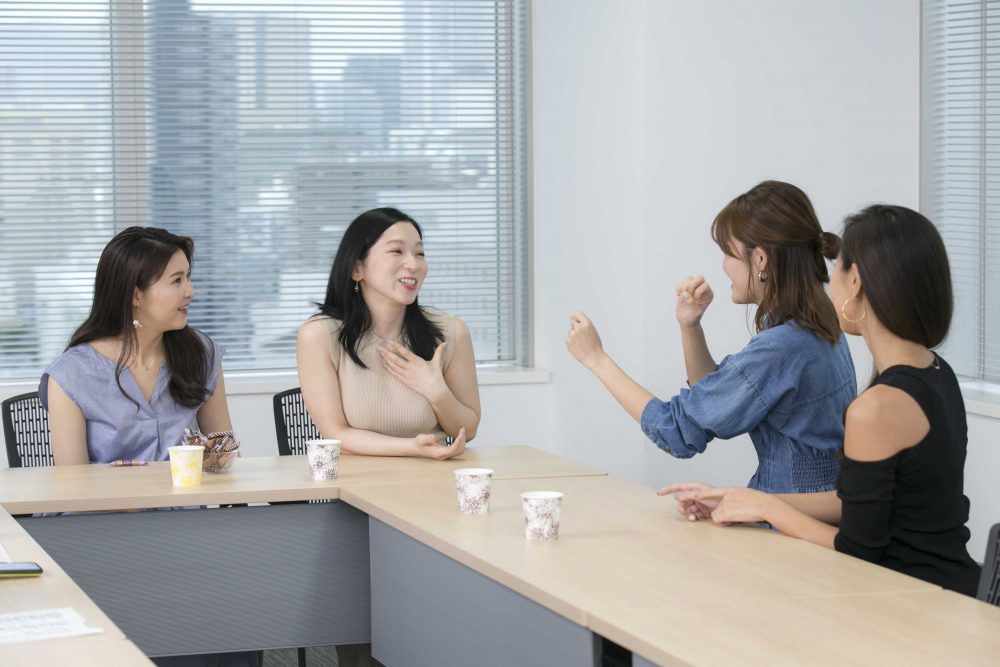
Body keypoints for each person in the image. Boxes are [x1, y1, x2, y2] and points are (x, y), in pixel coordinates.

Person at [665, 205, 982, 596]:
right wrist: (745, 501)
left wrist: (767, 509)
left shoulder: (876, 409)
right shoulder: (936, 372)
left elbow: (858, 550)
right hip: (953, 587)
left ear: (857, 283)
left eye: (837, 270)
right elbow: (863, 502)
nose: (829, 282)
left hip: (911, 606)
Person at [566, 181, 856, 493]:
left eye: (727, 252)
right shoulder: (819, 322)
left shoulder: (782, 347)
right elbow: (714, 400)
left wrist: (596, 359)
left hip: (787, 526)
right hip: (808, 515)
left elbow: (678, 433)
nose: (723, 266)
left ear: (760, 260)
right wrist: (691, 327)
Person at [297, 207, 481, 460]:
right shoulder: (319, 336)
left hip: (430, 483)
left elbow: (467, 430)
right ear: (356, 269)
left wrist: (437, 392)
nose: (414, 264)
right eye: (397, 251)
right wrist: (410, 448)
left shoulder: (450, 332)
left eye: (420, 253)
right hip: (353, 486)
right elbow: (335, 433)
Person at [41, 226, 231, 465]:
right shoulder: (71, 375)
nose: (190, 291)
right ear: (135, 296)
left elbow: (225, 459)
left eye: (188, 277)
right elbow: (72, 487)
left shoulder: (201, 354)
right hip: (110, 503)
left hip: (187, 502)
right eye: (176, 281)